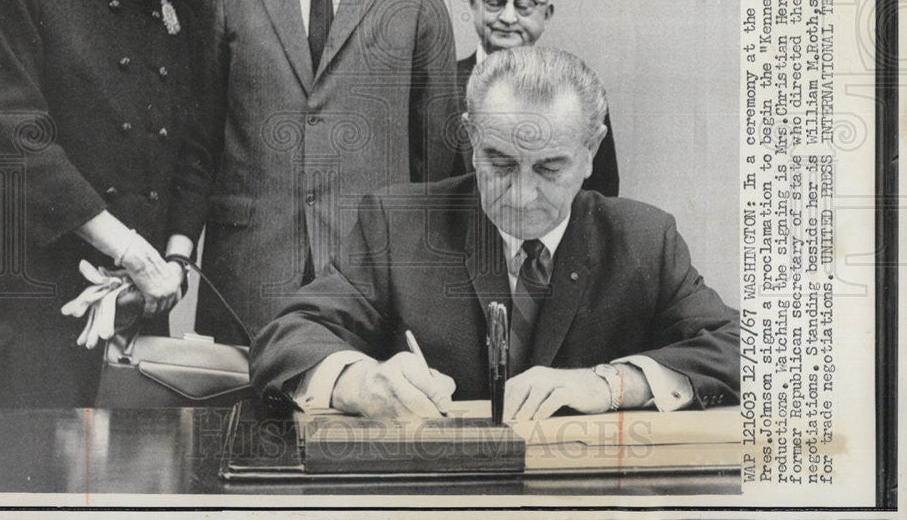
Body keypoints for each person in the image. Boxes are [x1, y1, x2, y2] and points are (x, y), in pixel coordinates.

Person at [252, 47, 739, 420]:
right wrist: (360, 383)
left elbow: (747, 347)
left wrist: (611, 385)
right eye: (500, 164)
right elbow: (286, 338)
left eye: (550, 168)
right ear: (470, 139)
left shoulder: (643, 238)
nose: (523, 195)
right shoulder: (397, 224)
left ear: (592, 150)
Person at [167, 0, 458, 342]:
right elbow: (198, 144)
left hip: (369, 278)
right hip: (247, 273)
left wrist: (419, 277)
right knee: (236, 419)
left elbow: (436, 159)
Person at [0, 0, 210, 406]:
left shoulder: (189, 17)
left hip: (144, 301)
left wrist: (174, 265)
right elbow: (13, 135)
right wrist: (127, 250)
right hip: (38, 294)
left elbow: (196, 157)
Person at [455, 0, 619, 196]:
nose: (508, 18)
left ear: (547, 14)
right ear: (473, 6)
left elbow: (601, 192)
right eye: (494, 3)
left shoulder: (578, 90)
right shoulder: (439, 85)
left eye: (524, 6)